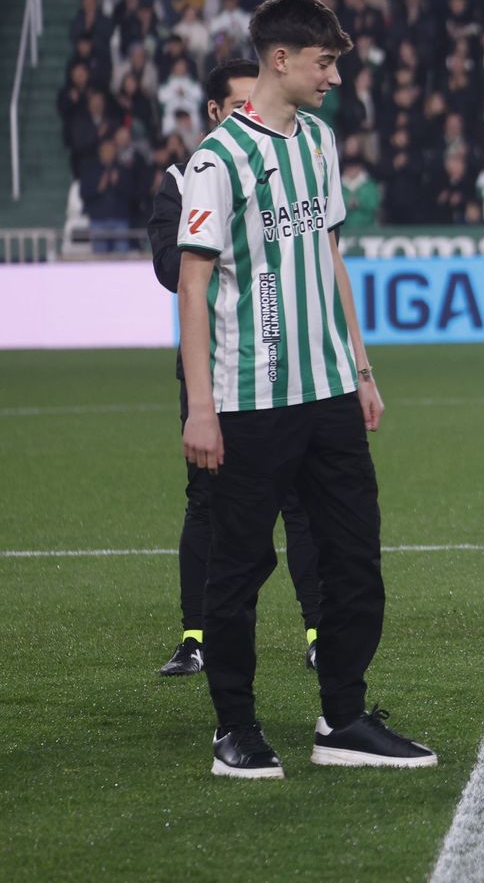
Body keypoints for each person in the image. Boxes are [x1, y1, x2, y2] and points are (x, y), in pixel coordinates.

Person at [178, 0, 435, 778]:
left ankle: (344, 718)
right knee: (241, 567)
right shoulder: (217, 161)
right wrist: (200, 405)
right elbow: (195, 286)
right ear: (280, 61)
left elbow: (328, 257)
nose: (335, 76)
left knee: (355, 559)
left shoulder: (320, 141)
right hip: (250, 399)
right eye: (325, 62)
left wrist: (360, 366)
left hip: (328, 394)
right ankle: (235, 729)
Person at [148, 57, 323, 679]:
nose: (259, 113)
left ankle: (318, 632)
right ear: (216, 112)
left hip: (292, 364)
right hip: (219, 368)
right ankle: (196, 635)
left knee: (302, 503)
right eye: (243, 103)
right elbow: (174, 270)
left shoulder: (296, 159)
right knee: (209, 502)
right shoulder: (186, 177)